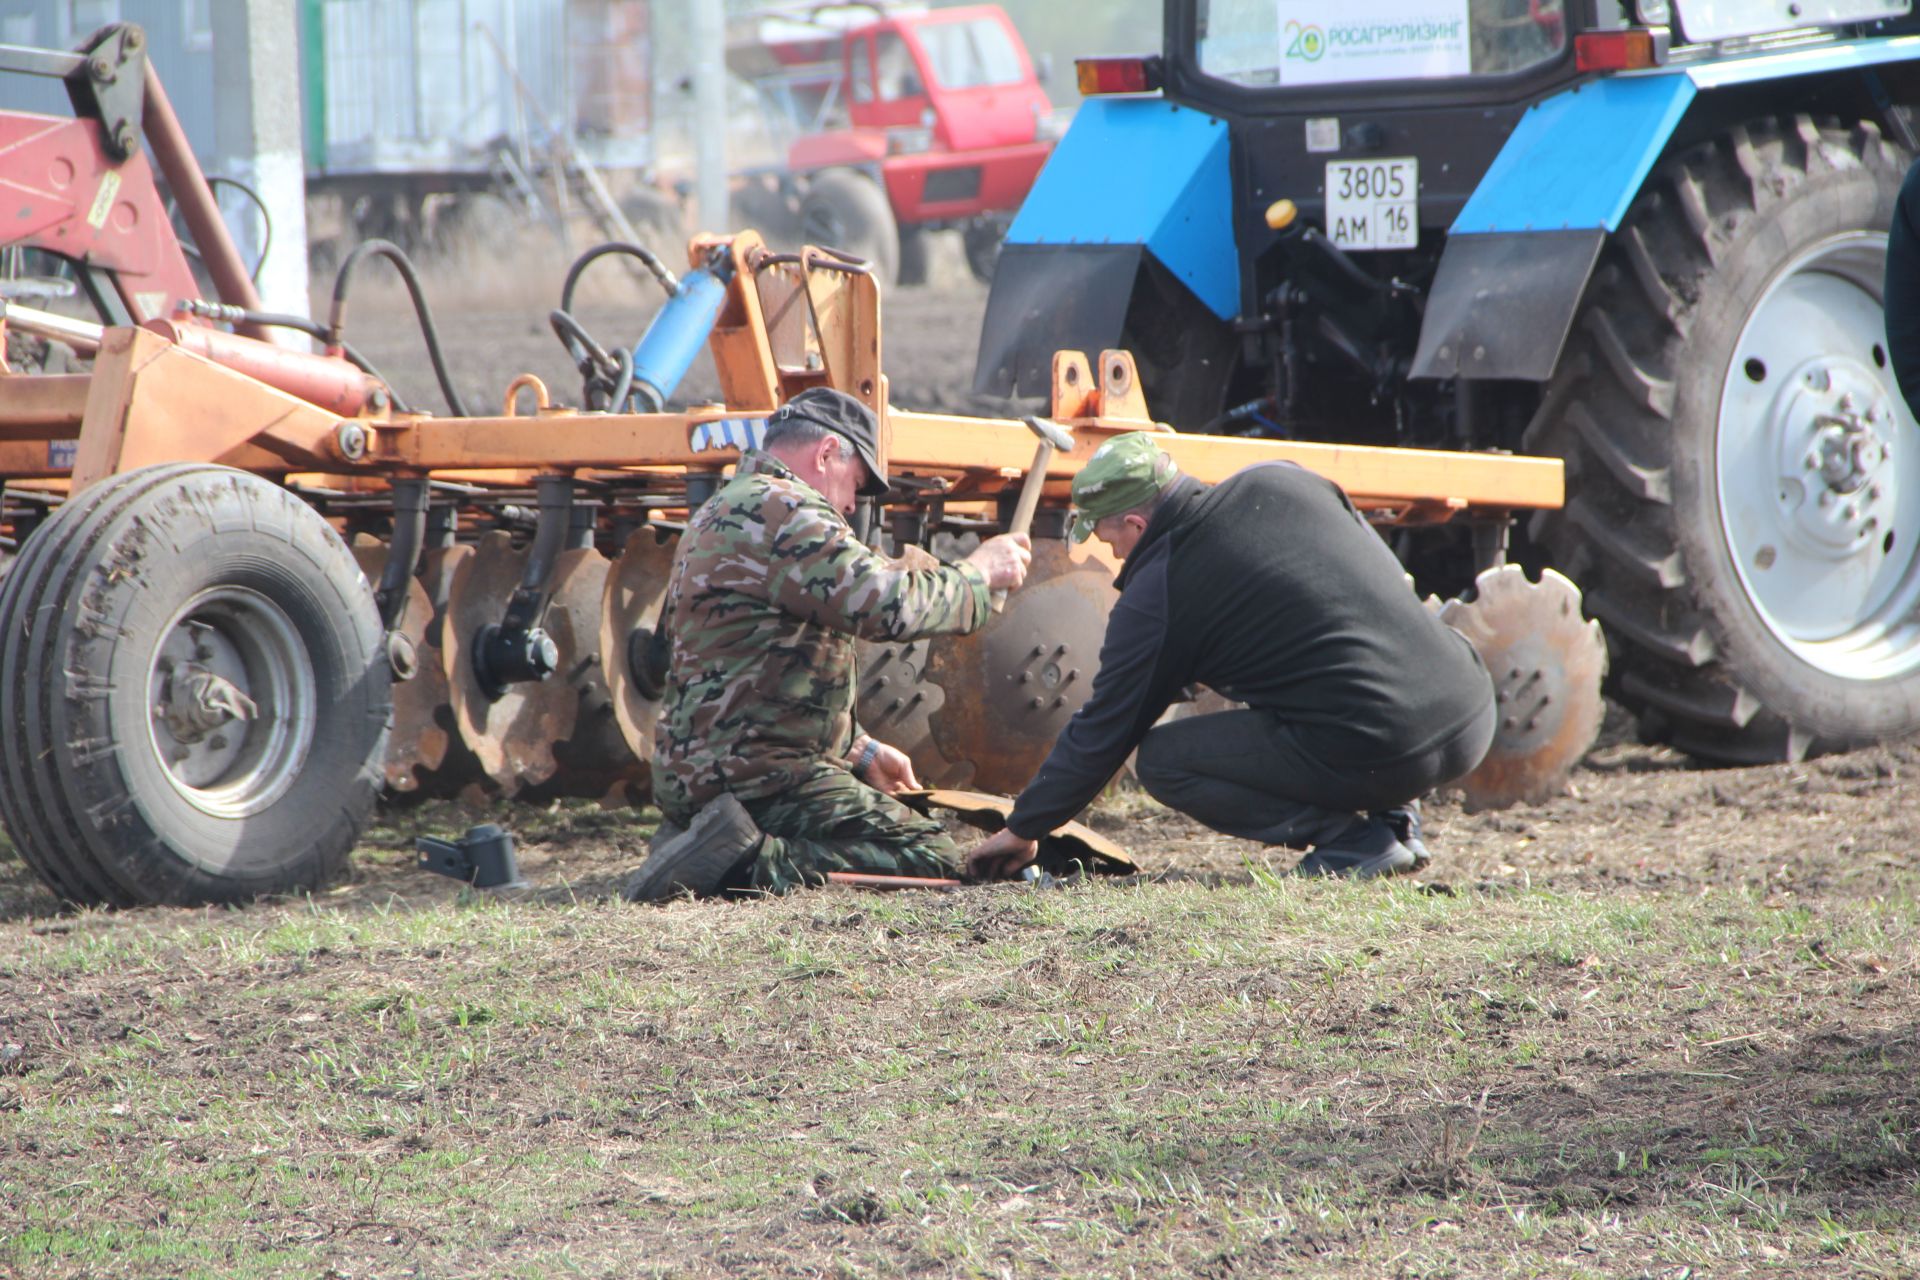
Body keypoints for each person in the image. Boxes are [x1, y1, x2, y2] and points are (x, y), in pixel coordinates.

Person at [965, 432, 1497, 882]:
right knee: (1346, 663)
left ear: (1136, 525)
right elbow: (1379, 587)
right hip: (1472, 709)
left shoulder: (1158, 594)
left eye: (1105, 535)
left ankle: (1355, 841)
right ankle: (1397, 818)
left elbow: (1105, 730)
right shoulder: (1284, 480)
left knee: (1166, 761)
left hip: (1392, 750)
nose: (1108, 550)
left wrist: (1025, 827)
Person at [625, 386, 1032, 900]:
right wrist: (978, 574)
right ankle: (740, 860)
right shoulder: (787, 510)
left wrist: (859, 752)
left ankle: (702, 834)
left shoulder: (720, 511)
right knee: (934, 856)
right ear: (825, 455)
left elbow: (750, 673)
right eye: (855, 486)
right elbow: (887, 605)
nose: (849, 505)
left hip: (704, 774)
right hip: (761, 780)